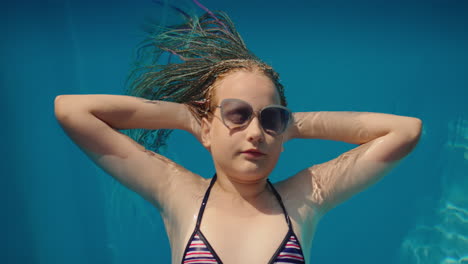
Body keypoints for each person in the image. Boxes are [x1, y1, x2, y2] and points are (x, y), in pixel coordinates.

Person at [54, 7, 422, 264]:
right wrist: (188, 117)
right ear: (207, 128)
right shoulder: (176, 191)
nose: (256, 133)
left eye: (271, 120)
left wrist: (293, 123)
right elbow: (72, 111)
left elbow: (405, 131)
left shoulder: (308, 195)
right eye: (237, 115)